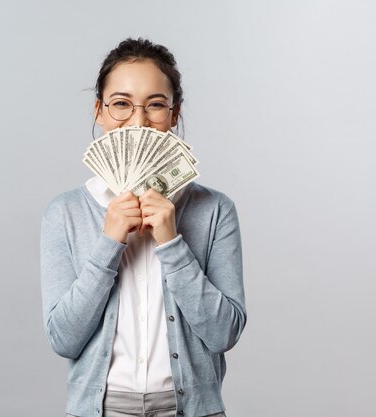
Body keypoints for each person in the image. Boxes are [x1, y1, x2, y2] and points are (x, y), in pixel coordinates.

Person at [41, 38, 246, 417]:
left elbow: (224, 334)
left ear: (174, 114)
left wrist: (172, 243)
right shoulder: (65, 212)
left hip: (192, 410)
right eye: (121, 104)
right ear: (99, 111)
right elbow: (63, 339)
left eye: (155, 104)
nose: (137, 121)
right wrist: (109, 242)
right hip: (98, 410)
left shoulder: (214, 210)